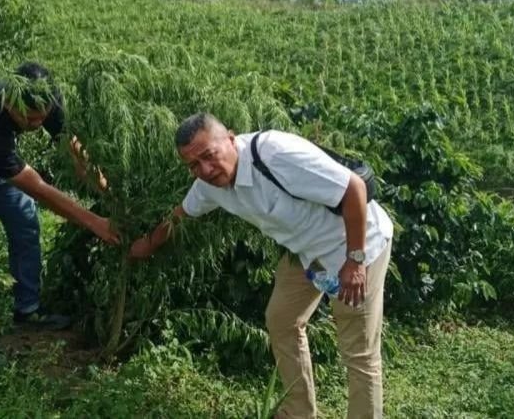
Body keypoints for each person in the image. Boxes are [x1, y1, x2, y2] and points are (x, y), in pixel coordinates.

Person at [129, 112, 393, 419]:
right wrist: (144, 245)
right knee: (282, 319)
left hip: (357, 245)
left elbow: (355, 190)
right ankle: (298, 411)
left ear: (230, 138)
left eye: (208, 156)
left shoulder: (276, 154)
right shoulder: (209, 184)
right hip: (308, 255)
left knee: (358, 351)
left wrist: (355, 261)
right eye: (193, 165)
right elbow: (180, 215)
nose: (205, 169)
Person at [0, 62, 118, 347]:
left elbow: (71, 145)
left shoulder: (44, 95)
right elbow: (38, 188)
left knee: (25, 221)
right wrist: (95, 222)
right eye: (29, 120)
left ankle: (28, 309)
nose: (37, 125)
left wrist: (107, 191)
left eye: (42, 118)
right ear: (9, 102)